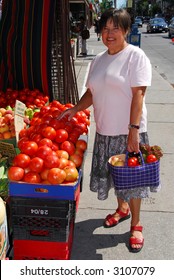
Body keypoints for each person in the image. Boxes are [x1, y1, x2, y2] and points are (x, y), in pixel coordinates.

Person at [59, 8, 155, 253]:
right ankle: (122, 209)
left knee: (133, 182)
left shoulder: (135, 56)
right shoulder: (98, 60)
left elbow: (139, 95)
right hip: (104, 130)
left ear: (125, 30)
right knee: (116, 178)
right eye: (105, 28)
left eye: (116, 28)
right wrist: (75, 109)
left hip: (128, 131)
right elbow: (91, 93)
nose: (109, 33)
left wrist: (133, 130)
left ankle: (136, 224)